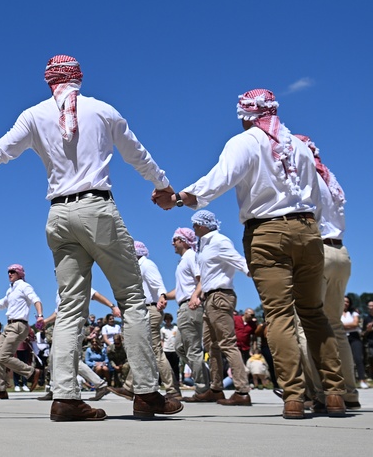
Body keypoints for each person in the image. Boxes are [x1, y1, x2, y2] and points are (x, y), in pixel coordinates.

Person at [0, 55, 181, 421]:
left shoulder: (34, 116)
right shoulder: (102, 111)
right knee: (132, 299)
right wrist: (163, 186)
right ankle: (147, 392)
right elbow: (137, 154)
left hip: (58, 214)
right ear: (80, 78)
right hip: (96, 208)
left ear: (48, 81)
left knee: (70, 308)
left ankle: (66, 397)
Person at [155, 88, 347, 419]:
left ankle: (295, 397)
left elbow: (219, 179)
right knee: (313, 313)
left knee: (280, 314)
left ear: (246, 116)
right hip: (308, 229)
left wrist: (180, 197)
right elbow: (318, 195)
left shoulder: (245, 142)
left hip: (268, 231)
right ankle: (334, 394)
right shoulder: (299, 147)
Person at [291, 135, 362, 407]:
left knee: (305, 325)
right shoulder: (329, 180)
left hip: (318, 252)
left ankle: (324, 393)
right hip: (340, 253)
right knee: (334, 326)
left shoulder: (304, 179)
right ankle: (348, 393)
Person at [189, 210, 252, 406]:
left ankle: (242, 391)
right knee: (211, 346)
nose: (194, 228)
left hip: (220, 296)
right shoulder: (204, 245)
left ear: (203, 225)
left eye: (195, 224)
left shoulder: (219, 241)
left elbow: (238, 260)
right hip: (209, 298)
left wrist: (257, 273)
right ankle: (216, 388)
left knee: (227, 343)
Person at [110, 241, 178, 400]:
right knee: (141, 350)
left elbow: (158, 283)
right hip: (142, 311)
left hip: (151, 310)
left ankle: (172, 389)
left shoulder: (147, 264)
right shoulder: (137, 267)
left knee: (155, 351)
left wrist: (162, 296)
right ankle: (129, 387)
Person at [0, 264, 43, 399]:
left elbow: (36, 300)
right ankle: (1, 391)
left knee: (4, 356)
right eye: (8, 272)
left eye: (12, 271)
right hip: (9, 326)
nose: (9, 274)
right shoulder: (10, 290)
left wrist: (40, 315)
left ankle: (32, 372)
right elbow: (0, 304)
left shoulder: (24, 286)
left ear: (19, 273)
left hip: (19, 325)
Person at [158, 227, 210, 401]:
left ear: (182, 240)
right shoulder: (182, 261)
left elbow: (202, 280)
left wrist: (195, 296)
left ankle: (203, 389)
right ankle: (206, 378)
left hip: (191, 306)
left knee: (193, 349)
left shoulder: (191, 256)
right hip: (183, 306)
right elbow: (180, 290)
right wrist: (165, 296)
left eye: (174, 240)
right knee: (180, 347)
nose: (172, 243)